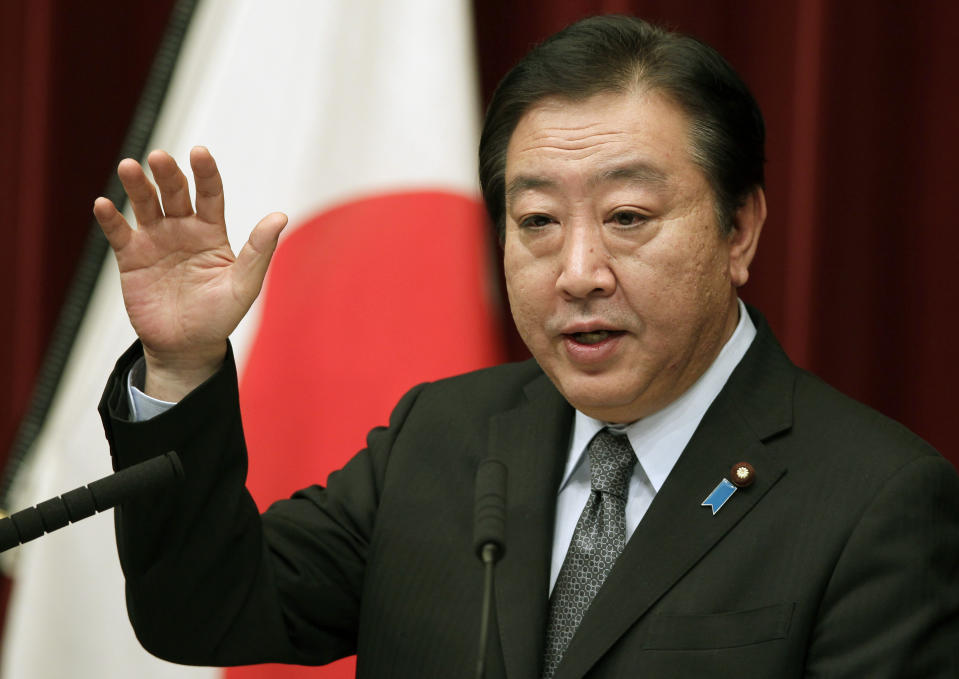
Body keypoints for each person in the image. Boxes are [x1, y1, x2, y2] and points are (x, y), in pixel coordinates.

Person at [94, 15, 959, 678]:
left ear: (738, 231)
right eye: (537, 222)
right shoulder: (443, 434)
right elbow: (201, 612)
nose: (578, 270)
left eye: (627, 218)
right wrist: (181, 365)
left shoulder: (875, 502)